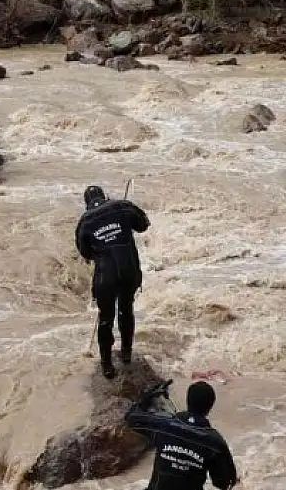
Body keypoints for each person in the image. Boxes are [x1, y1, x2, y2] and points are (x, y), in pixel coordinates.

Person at [75, 185, 150, 378]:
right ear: (105, 196)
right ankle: (126, 353)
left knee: (106, 318)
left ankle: (107, 364)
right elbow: (143, 224)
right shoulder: (122, 206)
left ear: (87, 204)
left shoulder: (84, 221)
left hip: (105, 276)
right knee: (126, 310)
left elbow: (85, 253)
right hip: (129, 270)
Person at [126, 380, 239, 490]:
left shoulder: (163, 425)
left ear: (187, 400)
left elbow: (132, 418)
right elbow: (225, 483)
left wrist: (149, 398)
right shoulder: (215, 442)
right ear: (209, 408)